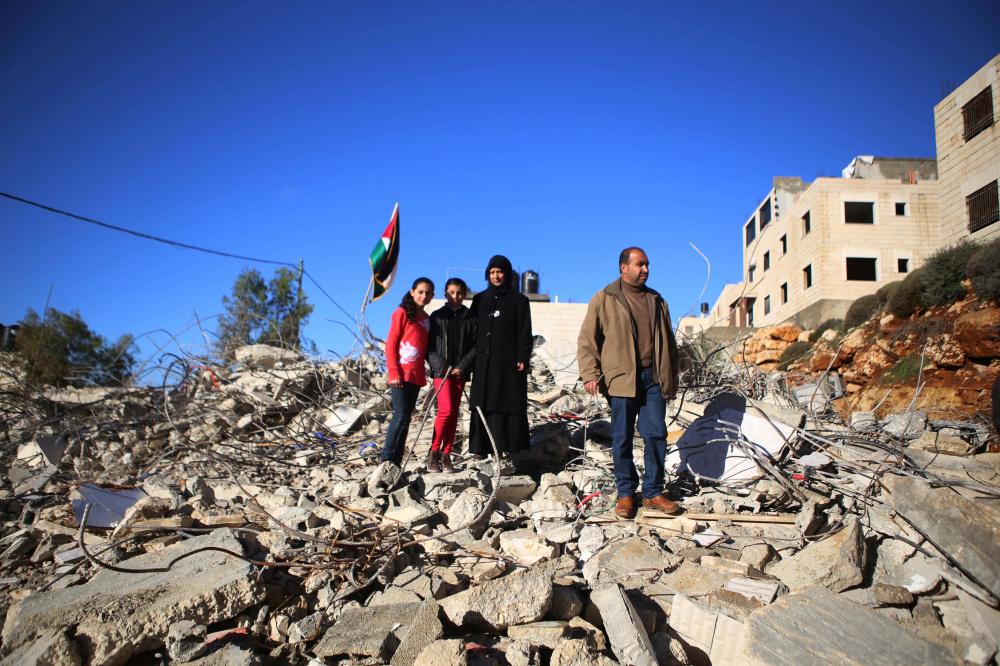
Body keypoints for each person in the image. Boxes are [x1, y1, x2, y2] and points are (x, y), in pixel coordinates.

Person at [577, 247, 682, 519]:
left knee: (656, 434)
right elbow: (588, 340)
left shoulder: (657, 300)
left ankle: (653, 491)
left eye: (647, 264)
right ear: (623, 268)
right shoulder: (604, 298)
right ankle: (625, 493)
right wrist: (590, 374)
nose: (645, 269)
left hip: (653, 380)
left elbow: (669, 344)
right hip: (621, 380)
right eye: (640, 264)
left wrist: (671, 378)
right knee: (622, 438)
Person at [468, 255, 533, 459]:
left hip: (508, 364)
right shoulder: (479, 300)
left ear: (507, 274)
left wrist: (523, 357)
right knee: (483, 402)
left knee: (504, 402)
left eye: (500, 272)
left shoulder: (519, 301)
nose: (496, 276)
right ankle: (480, 448)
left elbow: (525, 332)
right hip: (483, 364)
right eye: (492, 272)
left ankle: (503, 448)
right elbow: (471, 331)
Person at [380, 277, 434, 466]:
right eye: (420, 292)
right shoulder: (401, 313)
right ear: (412, 292)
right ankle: (386, 459)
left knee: (406, 418)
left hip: (415, 375)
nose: (423, 296)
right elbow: (391, 343)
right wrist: (393, 371)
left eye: (427, 293)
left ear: (432, 296)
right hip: (400, 373)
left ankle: (396, 461)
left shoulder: (426, 319)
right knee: (400, 415)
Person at [426, 277, 477, 472]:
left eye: (460, 293)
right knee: (445, 411)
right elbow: (428, 346)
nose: (456, 296)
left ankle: (446, 455)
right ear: (445, 294)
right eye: (452, 292)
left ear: (465, 294)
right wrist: (442, 367)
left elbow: (476, 346)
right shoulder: (436, 317)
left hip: (460, 373)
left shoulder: (470, 317)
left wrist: (462, 366)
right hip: (442, 372)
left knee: (454, 413)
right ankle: (434, 452)